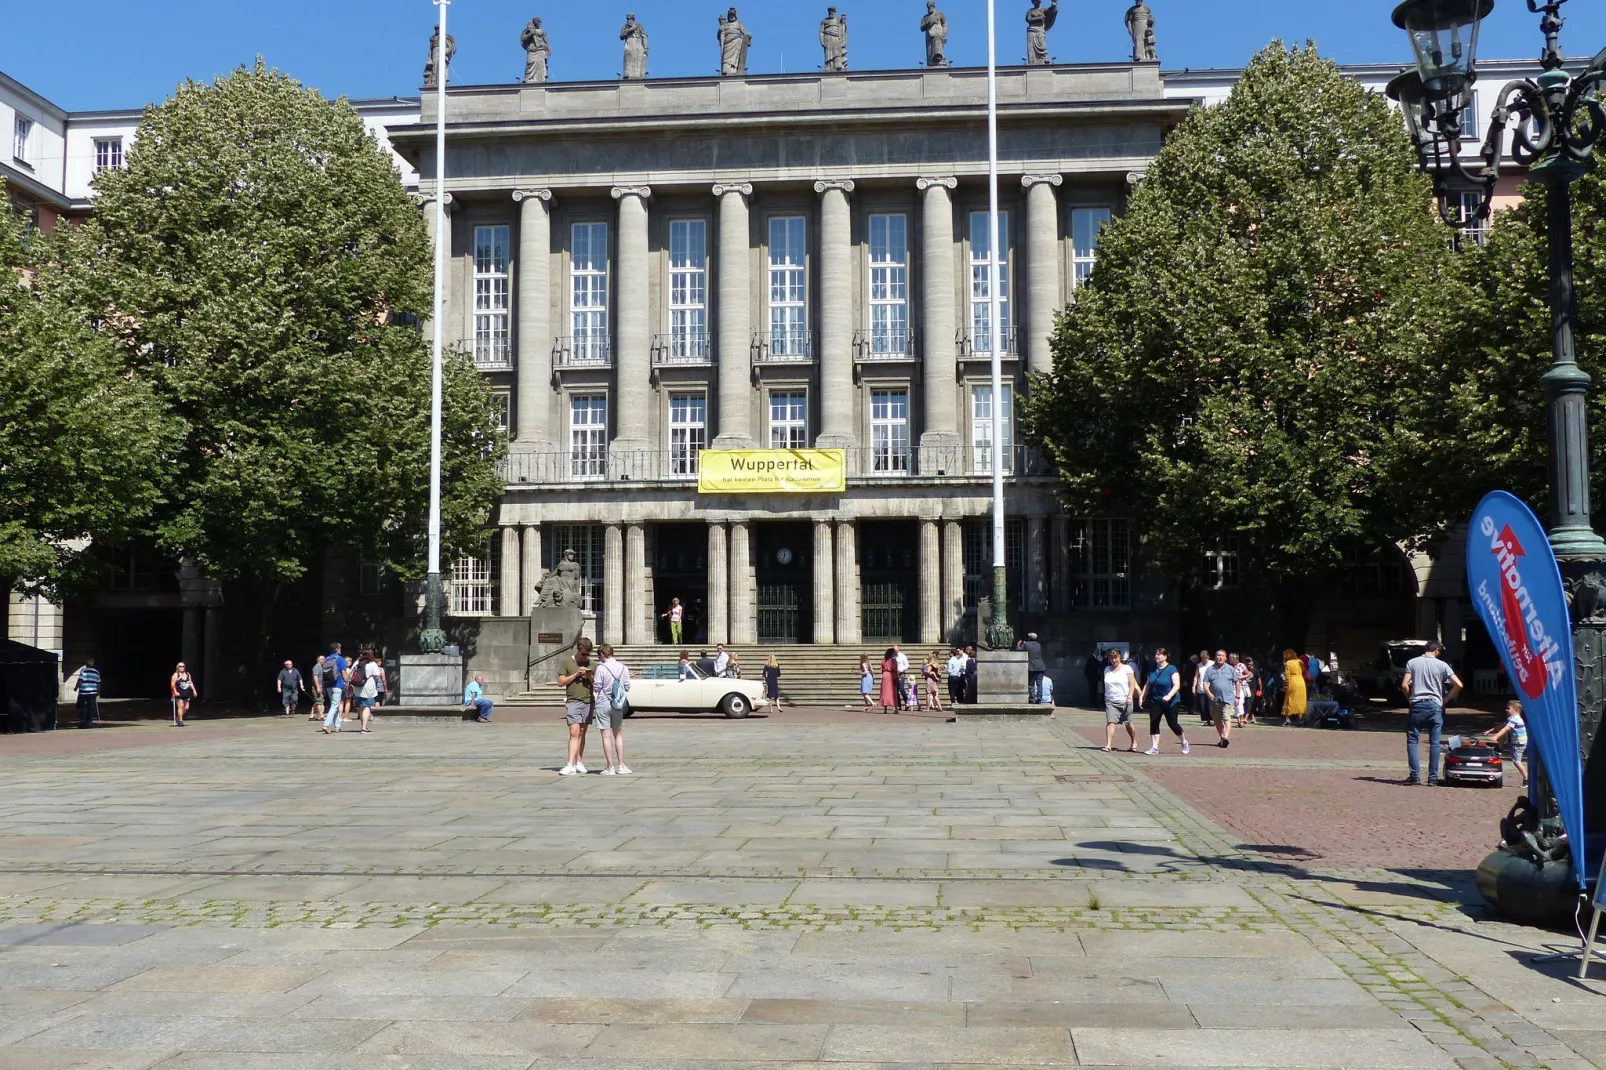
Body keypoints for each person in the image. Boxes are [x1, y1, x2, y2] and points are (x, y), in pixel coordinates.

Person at [1401, 640, 1463, 786]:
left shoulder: (1413, 662)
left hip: (1417, 704)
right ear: (1437, 651)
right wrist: (1446, 699)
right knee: (1435, 743)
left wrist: (1410, 699)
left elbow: (1404, 685)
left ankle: (1415, 776)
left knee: (1412, 741)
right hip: (1435, 706)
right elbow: (1459, 684)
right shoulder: (1442, 665)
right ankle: (1432, 778)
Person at [591, 644, 633, 775]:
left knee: (605, 736)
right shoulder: (623, 667)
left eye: (599, 656)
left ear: (603, 655)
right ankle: (621, 765)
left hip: (603, 702)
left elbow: (597, 687)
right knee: (618, 734)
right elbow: (627, 687)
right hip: (617, 704)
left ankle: (610, 767)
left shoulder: (601, 668)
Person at [1139, 647, 1189, 755]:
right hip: (1155, 700)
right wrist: (1142, 696)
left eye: (1159, 654)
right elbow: (1148, 684)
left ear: (1165, 656)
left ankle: (1184, 742)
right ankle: (1154, 747)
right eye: (1156, 654)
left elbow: (1177, 685)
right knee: (1154, 722)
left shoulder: (1172, 669)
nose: (1157, 656)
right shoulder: (1152, 669)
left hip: (1171, 701)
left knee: (1172, 723)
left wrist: (1169, 695)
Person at [558, 638, 595, 775]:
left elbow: (596, 685)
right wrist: (576, 674)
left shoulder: (593, 664)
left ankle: (579, 762)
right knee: (574, 732)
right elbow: (561, 682)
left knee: (582, 732)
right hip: (573, 701)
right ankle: (570, 763)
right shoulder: (567, 662)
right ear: (578, 650)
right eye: (583, 654)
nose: (586, 657)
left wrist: (589, 676)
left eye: (588, 654)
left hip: (588, 701)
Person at [1102, 647, 1139, 752]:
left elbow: (1132, 683)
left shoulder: (1127, 668)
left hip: (1125, 699)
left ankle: (1133, 740)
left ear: (1120, 657)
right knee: (1110, 722)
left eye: (1116, 657)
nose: (1114, 660)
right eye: (1111, 658)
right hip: (1110, 700)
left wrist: (1130, 696)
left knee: (1128, 723)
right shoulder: (1106, 670)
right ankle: (1108, 744)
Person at [1484, 700, 1529, 786]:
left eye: (1508, 708)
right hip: (1516, 742)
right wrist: (1490, 731)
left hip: (1519, 743)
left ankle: (1526, 779)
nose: (1506, 710)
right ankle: (1499, 748)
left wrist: (1496, 736)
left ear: (1516, 710)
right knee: (1516, 761)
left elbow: (1505, 729)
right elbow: (1502, 726)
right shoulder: (1512, 718)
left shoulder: (1515, 719)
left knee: (1517, 762)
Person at [1201, 648, 1238, 748]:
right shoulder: (1210, 669)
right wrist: (1208, 693)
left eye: (1222, 655)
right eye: (1218, 655)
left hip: (1228, 698)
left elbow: (1237, 682)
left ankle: (1225, 737)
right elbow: (1205, 682)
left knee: (1227, 717)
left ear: (1226, 658)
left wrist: (1237, 696)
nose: (1220, 657)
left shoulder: (1230, 669)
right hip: (1215, 699)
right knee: (1217, 720)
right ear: (1215, 657)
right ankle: (1222, 738)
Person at [320, 643, 348, 734]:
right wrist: (348, 681)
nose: (341, 649)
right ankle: (326, 725)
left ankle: (337, 726)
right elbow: (343, 672)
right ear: (337, 649)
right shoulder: (340, 659)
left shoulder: (327, 659)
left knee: (334, 705)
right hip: (338, 685)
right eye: (340, 648)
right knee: (335, 706)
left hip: (328, 685)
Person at [1281, 648, 1307, 726]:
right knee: (1300, 700)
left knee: (1288, 700)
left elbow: (1287, 675)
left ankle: (1287, 719)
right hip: (1301, 681)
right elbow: (1303, 670)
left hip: (1293, 681)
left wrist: (1285, 685)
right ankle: (1300, 720)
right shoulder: (1300, 661)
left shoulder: (1288, 663)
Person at [74, 658, 101, 729]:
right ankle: (89, 722)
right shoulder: (96, 672)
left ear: (86, 664)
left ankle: (83, 721)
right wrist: (98, 692)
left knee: (81, 707)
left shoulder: (83, 670)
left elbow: (80, 680)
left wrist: (76, 688)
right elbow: (98, 683)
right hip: (93, 692)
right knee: (91, 707)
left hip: (83, 692)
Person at [170, 661, 198, 727]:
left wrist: (194, 690)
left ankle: (178, 718)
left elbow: (190, 683)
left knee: (186, 707)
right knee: (181, 706)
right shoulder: (176, 675)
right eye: (180, 666)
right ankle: (181, 721)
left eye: (183, 666)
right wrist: (175, 692)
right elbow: (172, 684)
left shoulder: (187, 674)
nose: (182, 668)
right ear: (177, 667)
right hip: (179, 693)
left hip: (186, 692)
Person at [1022, 632, 1046, 704]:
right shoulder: (1038, 645)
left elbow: (1019, 649)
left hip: (1032, 668)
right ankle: (1039, 698)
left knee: (1031, 684)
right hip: (1041, 667)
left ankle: (1032, 699)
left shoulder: (1026, 644)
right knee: (1039, 684)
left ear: (1029, 638)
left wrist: (1019, 644)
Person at [1194, 649, 1213, 725]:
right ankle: (1206, 720)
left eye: (1205, 658)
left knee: (1210, 704)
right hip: (1201, 687)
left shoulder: (1212, 664)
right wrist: (1193, 686)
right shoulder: (1199, 665)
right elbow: (1196, 676)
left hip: (1210, 687)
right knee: (1203, 705)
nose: (1204, 660)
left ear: (1208, 657)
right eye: (1202, 658)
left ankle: (1212, 720)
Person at [880, 647, 899, 714]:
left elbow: (882, 669)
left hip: (885, 675)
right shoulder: (893, 661)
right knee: (893, 692)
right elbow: (895, 669)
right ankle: (895, 708)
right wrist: (897, 677)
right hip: (891, 675)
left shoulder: (883, 660)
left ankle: (885, 709)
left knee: (885, 692)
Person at [892, 644, 911, 709]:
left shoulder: (903, 656)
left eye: (896, 651)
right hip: (894, 674)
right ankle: (898, 705)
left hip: (901, 674)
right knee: (896, 690)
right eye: (894, 651)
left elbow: (907, 665)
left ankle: (907, 703)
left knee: (901, 688)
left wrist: (901, 669)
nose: (895, 652)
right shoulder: (892, 656)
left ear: (898, 650)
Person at [309, 654, 326, 722]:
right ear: (319, 660)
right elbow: (315, 677)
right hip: (317, 687)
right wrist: (318, 687)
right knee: (319, 701)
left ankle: (312, 715)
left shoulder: (321, 667)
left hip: (320, 686)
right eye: (323, 659)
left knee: (317, 701)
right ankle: (321, 716)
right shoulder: (317, 667)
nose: (324, 660)